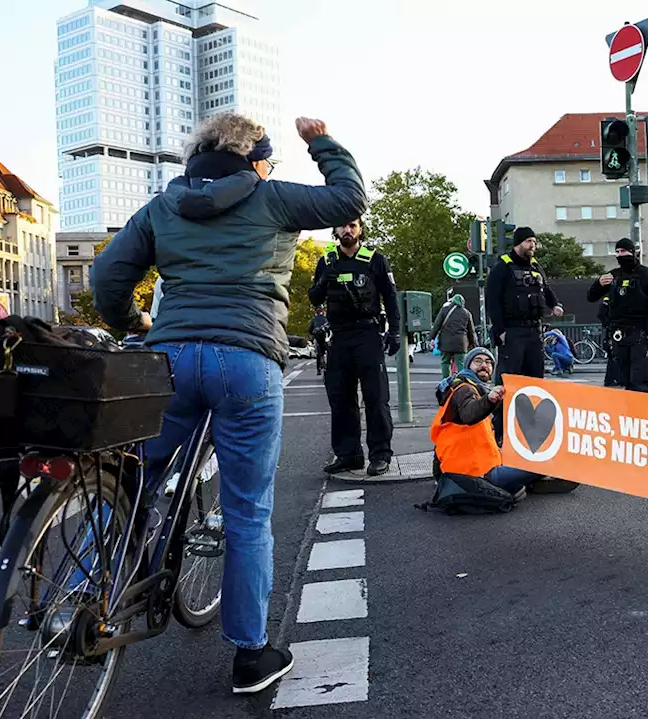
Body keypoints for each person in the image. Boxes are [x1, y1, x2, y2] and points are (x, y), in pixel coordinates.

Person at [90, 113, 369, 694]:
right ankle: (250, 655)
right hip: (245, 359)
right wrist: (322, 142)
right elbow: (348, 201)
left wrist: (136, 322)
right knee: (247, 512)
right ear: (256, 158)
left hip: (167, 360)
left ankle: (90, 594)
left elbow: (106, 279)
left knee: (134, 476)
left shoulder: (162, 208)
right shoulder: (273, 199)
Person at [308, 218, 401, 477]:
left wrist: (394, 332)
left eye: (352, 225)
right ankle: (348, 455)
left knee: (376, 397)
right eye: (342, 226)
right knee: (340, 399)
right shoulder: (326, 261)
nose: (347, 230)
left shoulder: (375, 260)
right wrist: (324, 280)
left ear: (360, 229)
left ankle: (380, 455)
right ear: (335, 230)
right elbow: (314, 298)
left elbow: (391, 298)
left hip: (367, 334)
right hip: (339, 336)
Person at [430, 347, 547, 494]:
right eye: (477, 361)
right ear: (468, 366)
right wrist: (490, 400)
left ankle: (523, 481)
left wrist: (440, 478)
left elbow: (441, 444)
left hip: (465, 472)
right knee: (543, 464)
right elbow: (470, 414)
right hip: (479, 475)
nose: (484, 365)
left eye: (488, 362)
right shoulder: (464, 389)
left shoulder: (463, 387)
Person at [485, 226, 562, 441]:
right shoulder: (502, 268)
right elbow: (493, 301)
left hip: (534, 332)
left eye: (534, 242)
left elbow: (545, 289)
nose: (533, 246)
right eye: (529, 242)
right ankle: (500, 432)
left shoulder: (536, 267)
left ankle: (531, 432)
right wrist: (500, 330)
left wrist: (554, 305)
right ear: (519, 243)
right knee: (508, 383)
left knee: (535, 382)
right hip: (512, 332)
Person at [587, 238, 648, 392]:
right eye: (617, 252)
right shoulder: (613, 276)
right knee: (622, 378)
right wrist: (598, 284)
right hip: (618, 334)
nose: (620, 255)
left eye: (623, 251)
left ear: (633, 252)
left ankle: (640, 413)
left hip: (639, 333)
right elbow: (591, 297)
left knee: (640, 380)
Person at [430, 294, 475, 378]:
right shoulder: (467, 313)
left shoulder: (444, 310)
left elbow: (437, 325)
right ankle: (462, 382)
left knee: (445, 362)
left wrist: (431, 338)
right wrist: (473, 343)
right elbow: (471, 331)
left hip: (446, 342)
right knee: (461, 363)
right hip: (460, 343)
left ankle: (446, 381)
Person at [598, 295, 618, 387]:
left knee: (617, 355)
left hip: (617, 329)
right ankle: (610, 379)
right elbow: (601, 315)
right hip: (611, 331)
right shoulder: (608, 299)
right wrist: (610, 326)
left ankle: (616, 378)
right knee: (613, 355)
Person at [309, 306, 330, 375]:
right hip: (326, 338)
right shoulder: (327, 319)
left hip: (318, 339)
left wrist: (312, 334)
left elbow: (310, 330)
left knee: (319, 353)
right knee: (330, 351)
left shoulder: (314, 319)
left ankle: (318, 369)